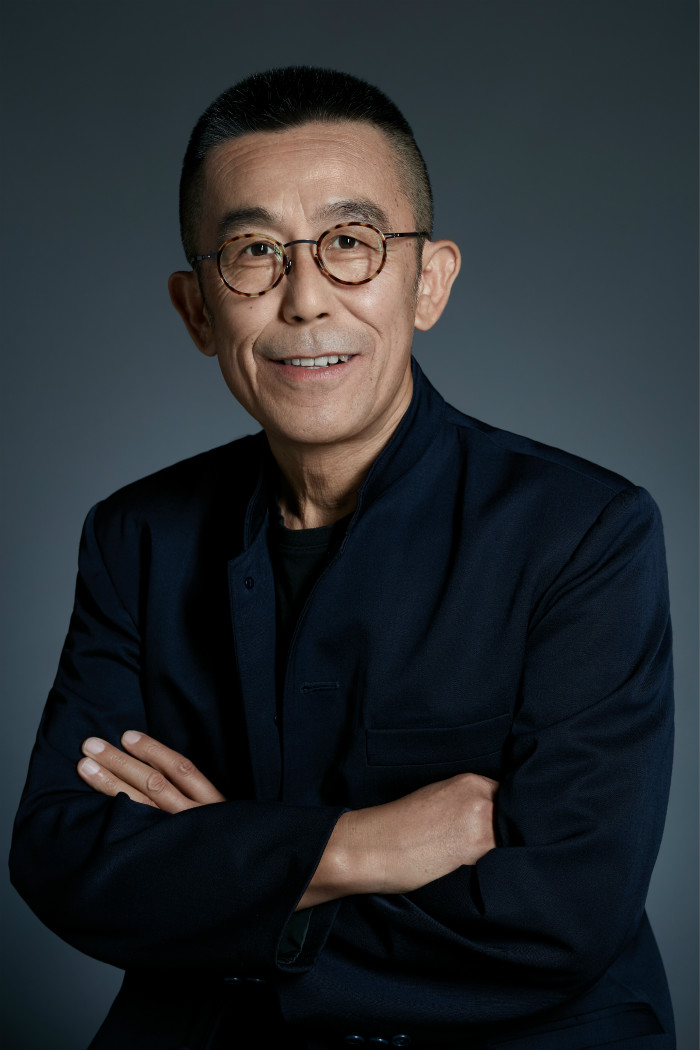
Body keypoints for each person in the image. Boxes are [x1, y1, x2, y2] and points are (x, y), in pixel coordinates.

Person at [10, 67, 675, 1050]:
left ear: (428, 281)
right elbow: (62, 856)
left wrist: (231, 874)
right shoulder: (136, 536)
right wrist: (360, 847)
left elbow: (561, 911)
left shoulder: (584, 533)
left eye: (350, 244)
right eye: (254, 253)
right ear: (198, 310)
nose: (305, 299)